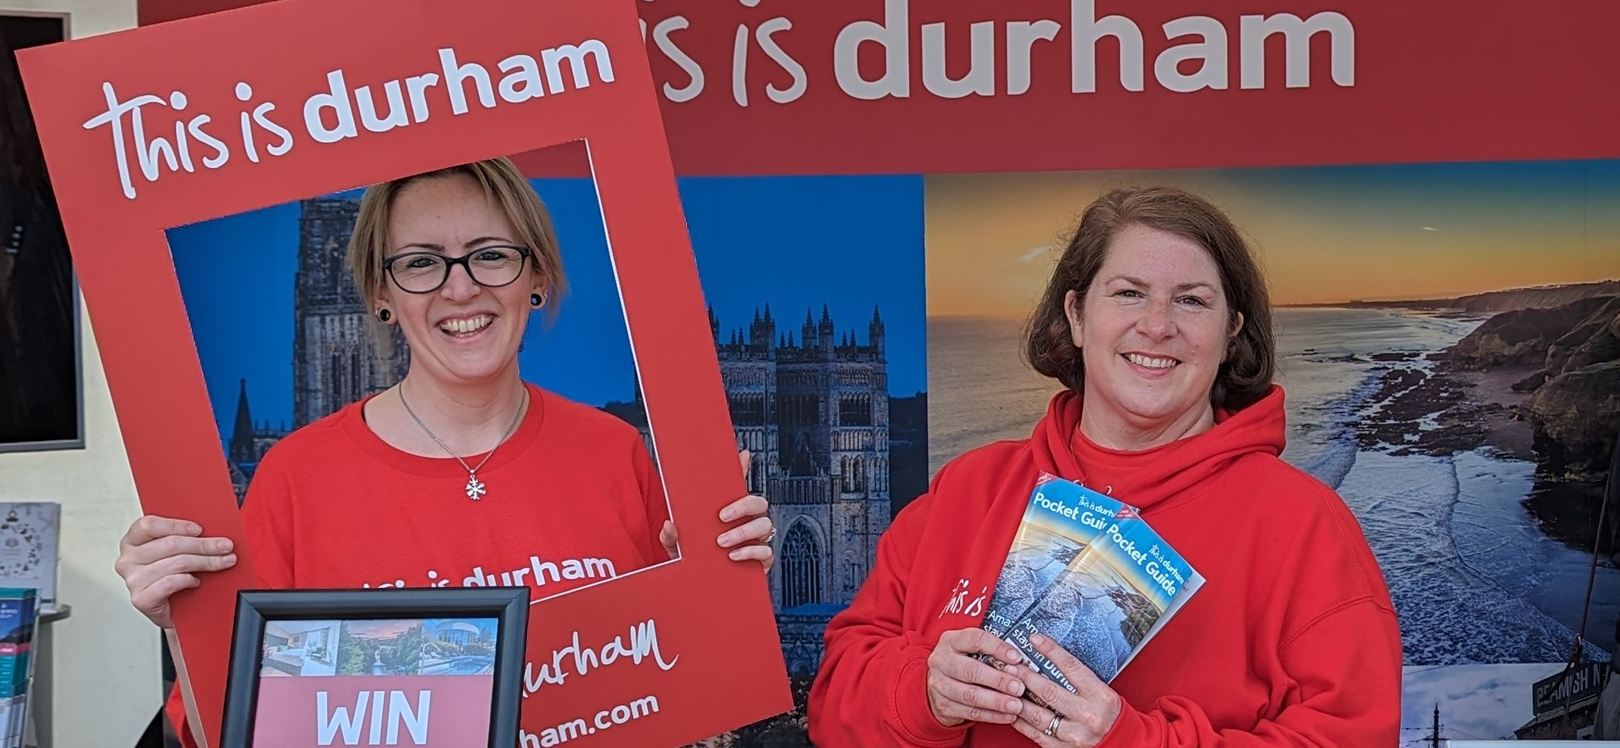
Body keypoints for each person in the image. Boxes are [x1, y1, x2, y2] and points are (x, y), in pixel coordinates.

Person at [112, 156, 776, 745]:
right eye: (422, 262)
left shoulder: (619, 454)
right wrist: (184, 624)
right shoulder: (295, 478)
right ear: (382, 294)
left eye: (491, 254)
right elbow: (222, 731)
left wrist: (721, 587)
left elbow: (686, 697)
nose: (460, 289)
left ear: (536, 274)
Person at [807, 187, 1402, 747]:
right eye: (1128, 293)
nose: (1158, 324)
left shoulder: (1305, 524)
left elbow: (1352, 735)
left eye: (1192, 300)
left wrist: (1135, 740)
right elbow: (834, 703)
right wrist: (925, 694)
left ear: (1231, 332)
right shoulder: (968, 487)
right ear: (1075, 315)